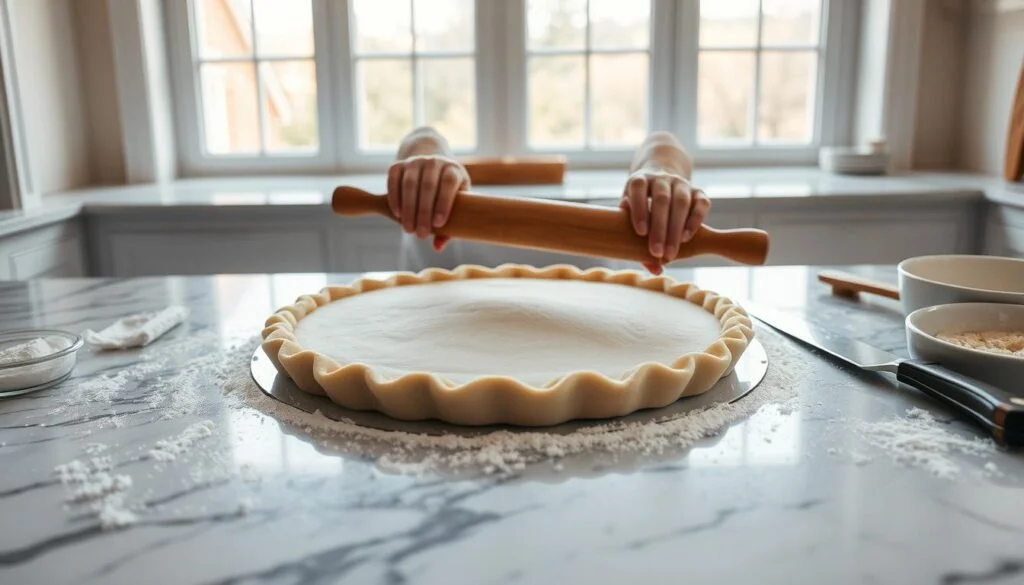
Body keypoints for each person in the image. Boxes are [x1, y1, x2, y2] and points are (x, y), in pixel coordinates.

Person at [388, 127, 710, 275]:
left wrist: (661, 169)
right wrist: (425, 154)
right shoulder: (441, 219)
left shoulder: (620, 220)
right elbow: (422, 137)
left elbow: (661, 142)